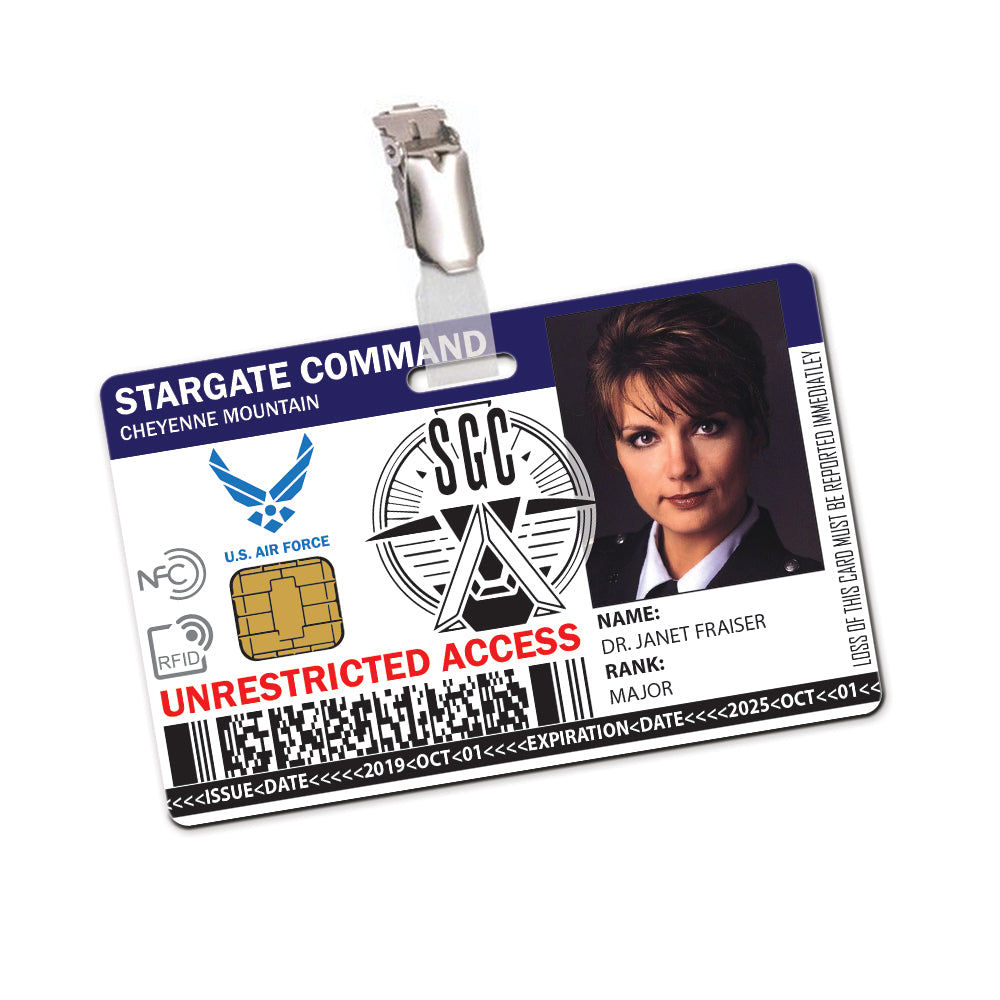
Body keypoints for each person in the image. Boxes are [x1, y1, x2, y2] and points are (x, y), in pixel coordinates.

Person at [585, 293, 821, 607]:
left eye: (706, 427)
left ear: (754, 432)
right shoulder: (578, 575)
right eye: (644, 438)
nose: (680, 468)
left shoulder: (813, 594)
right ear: (617, 449)